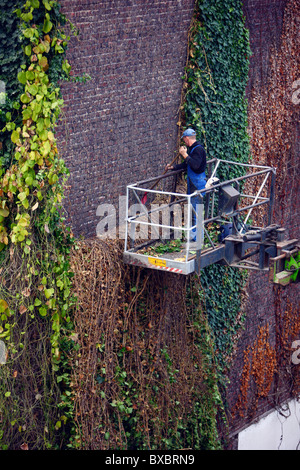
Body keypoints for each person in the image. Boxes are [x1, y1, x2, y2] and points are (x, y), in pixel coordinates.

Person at [166, 128, 207, 242]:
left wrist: (184, 154)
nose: (184, 143)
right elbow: (186, 165)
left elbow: (195, 165)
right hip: (193, 183)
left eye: (184, 140)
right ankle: (195, 236)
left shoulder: (198, 150)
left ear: (187, 138)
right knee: (193, 209)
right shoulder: (193, 149)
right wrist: (173, 167)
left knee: (196, 210)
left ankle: (197, 238)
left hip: (197, 184)